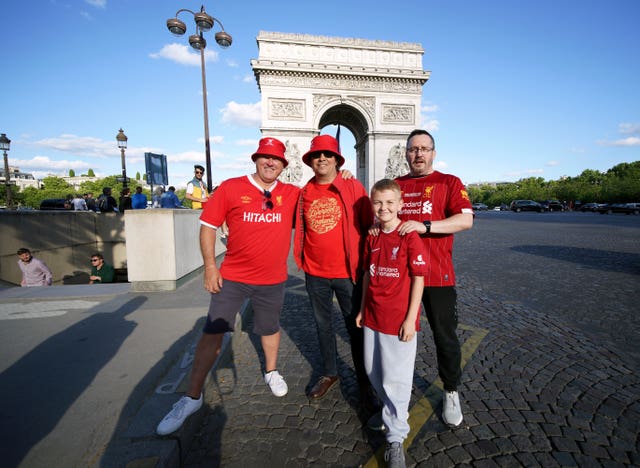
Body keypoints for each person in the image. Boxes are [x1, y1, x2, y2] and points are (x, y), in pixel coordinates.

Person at [157, 137, 301, 436]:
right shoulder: (231, 188)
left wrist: (345, 176)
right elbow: (207, 227)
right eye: (265, 157)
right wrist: (210, 266)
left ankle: (272, 371)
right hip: (233, 276)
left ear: (284, 164)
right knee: (212, 333)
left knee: (270, 328)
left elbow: (322, 201)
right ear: (256, 159)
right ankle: (191, 397)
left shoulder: (293, 193)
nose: (270, 162)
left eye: (276, 159)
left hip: (272, 279)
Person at [395, 129, 474, 427]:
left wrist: (423, 225)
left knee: (445, 338)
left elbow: (465, 220)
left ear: (433, 153)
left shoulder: (449, 182)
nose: (418, 154)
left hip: (437, 275)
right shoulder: (396, 185)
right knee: (399, 338)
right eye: (413, 149)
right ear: (405, 153)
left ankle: (451, 390)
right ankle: (397, 394)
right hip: (402, 277)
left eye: (424, 148)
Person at [292, 134, 376, 407]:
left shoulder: (353, 187)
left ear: (337, 160)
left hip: (347, 273)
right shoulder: (304, 193)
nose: (322, 159)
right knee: (322, 325)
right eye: (317, 155)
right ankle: (330, 372)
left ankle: (365, 379)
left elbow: (370, 225)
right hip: (315, 273)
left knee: (356, 327)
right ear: (310, 161)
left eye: (328, 155)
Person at [356, 179, 426, 468]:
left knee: (395, 381)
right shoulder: (372, 235)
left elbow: (419, 279)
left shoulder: (409, 236)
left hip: (398, 321)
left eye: (388, 203)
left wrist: (411, 319)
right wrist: (361, 309)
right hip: (372, 316)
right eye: (377, 203)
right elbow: (367, 276)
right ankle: (389, 411)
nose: (383, 208)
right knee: (374, 373)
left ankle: (396, 438)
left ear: (399, 205)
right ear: (372, 205)